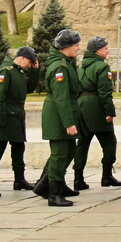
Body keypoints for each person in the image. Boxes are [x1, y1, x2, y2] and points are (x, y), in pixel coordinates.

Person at [35, 30, 83, 206]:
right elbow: (61, 97)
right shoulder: (60, 67)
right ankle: (53, 192)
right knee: (59, 154)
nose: (78, 48)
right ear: (66, 47)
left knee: (68, 151)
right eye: (76, 45)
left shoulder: (66, 63)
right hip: (58, 116)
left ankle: (53, 184)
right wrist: (68, 122)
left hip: (64, 112)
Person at [0, 46, 39, 191]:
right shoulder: (7, 71)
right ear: (22, 58)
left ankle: (19, 179)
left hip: (16, 115)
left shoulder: (18, 72)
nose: (29, 65)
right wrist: (0, 118)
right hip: (7, 115)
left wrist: (35, 71)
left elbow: (29, 88)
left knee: (18, 148)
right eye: (29, 62)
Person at [74, 36, 119, 189]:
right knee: (109, 143)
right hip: (96, 108)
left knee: (82, 144)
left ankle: (78, 178)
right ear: (98, 50)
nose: (108, 50)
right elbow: (105, 93)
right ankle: (107, 176)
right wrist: (109, 112)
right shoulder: (102, 67)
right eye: (106, 48)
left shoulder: (81, 67)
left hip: (81, 107)